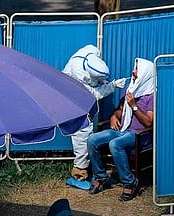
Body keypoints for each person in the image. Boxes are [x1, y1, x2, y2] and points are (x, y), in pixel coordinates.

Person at [87, 57, 154, 201]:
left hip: (139, 135)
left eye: (136, 69)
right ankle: (101, 176)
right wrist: (114, 116)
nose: (133, 71)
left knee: (115, 144)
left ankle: (130, 182)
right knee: (93, 139)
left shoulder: (151, 95)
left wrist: (134, 106)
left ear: (145, 73)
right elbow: (120, 110)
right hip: (122, 130)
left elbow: (149, 122)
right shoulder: (131, 88)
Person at [62, 44, 126, 184]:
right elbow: (93, 93)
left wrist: (104, 81)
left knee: (89, 135)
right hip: (75, 103)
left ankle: (88, 169)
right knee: (82, 135)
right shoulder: (76, 73)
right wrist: (112, 86)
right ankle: (80, 171)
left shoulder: (92, 54)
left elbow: (97, 78)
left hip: (85, 105)